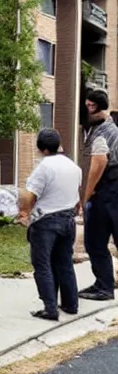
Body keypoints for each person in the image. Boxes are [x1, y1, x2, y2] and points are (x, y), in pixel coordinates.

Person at [20, 129, 81, 320]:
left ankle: (50, 309)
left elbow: (29, 194)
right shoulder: (73, 166)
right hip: (68, 219)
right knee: (64, 262)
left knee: (42, 264)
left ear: (42, 148)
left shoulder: (44, 167)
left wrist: (23, 212)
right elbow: (76, 196)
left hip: (46, 221)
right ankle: (71, 304)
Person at [79, 89, 118, 301]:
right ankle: (104, 283)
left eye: (88, 107)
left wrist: (87, 194)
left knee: (95, 240)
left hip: (107, 190)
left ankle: (104, 286)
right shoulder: (113, 128)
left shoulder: (102, 132)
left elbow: (99, 162)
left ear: (93, 106)